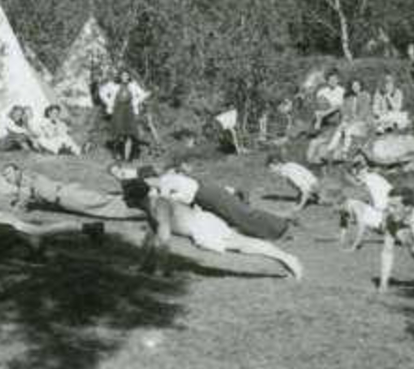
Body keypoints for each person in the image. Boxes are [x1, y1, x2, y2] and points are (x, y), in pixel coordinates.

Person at [120, 179, 303, 280]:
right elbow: (150, 239)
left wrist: (159, 271)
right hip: (201, 228)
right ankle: (286, 259)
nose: (124, 200)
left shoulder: (158, 207)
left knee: (243, 246)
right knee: (243, 246)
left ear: (136, 198)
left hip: (204, 227)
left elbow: (164, 240)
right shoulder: (150, 207)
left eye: (126, 197)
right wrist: (140, 266)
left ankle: (288, 258)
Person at [116, 162, 293, 240]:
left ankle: (280, 227)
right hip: (205, 195)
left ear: (148, 179)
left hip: (207, 194)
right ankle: (270, 230)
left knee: (242, 214)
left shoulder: (165, 182)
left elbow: (174, 199)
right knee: (235, 218)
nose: (147, 184)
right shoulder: (166, 180)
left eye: (146, 181)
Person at [0, 164, 144, 220]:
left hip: (67, 195)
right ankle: (141, 206)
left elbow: (22, 204)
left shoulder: (25, 178)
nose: (7, 178)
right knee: (103, 203)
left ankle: (143, 209)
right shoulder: (25, 180)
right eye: (5, 176)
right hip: (67, 195)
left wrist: (16, 206)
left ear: (17, 171)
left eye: (9, 173)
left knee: (104, 205)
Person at [101, 70, 149, 161]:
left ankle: (127, 156)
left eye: (126, 75)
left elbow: (142, 94)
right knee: (118, 132)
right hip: (118, 110)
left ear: (129, 77)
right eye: (123, 75)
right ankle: (116, 153)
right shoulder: (113, 85)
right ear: (120, 76)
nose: (125, 77)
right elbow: (102, 92)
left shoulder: (133, 85)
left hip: (129, 110)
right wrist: (109, 103)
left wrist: (138, 101)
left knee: (129, 133)